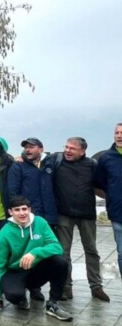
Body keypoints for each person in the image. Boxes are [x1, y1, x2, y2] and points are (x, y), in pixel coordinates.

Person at [0, 196, 72, 321]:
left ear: (29, 210)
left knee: (61, 261)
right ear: (10, 212)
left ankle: (53, 303)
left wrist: (35, 252)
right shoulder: (4, 234)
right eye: (17, 210)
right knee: (13, 295)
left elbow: (57, 247)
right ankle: (21, 297)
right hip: (15, 271)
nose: (22, 213)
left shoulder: (40, 222)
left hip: (36, 269)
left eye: (24, 209)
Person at [49, 137, 108, 302]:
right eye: (66, 147)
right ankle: (66, 287)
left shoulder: (92, 165)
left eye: (72, 148)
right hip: (64, 214)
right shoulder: (57, 162)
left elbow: (103, 185)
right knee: (63, 253)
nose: (67, 151)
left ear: (82, 151)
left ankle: (96, 286)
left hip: (87, 214)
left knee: (91, 250)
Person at [8, 137, 57, 227]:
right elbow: (13, 191)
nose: (28, 150)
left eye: (31, 147)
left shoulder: (50, 164)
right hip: (29, 214)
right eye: (26, 147)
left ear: (41, 149)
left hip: (49, 213)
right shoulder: (18, 165)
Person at [95, 123, 122, 283]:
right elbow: (100, 181)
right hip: (118, 211)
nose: (119, 135)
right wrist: (113, 192)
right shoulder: (106, 158)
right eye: (117, 132)